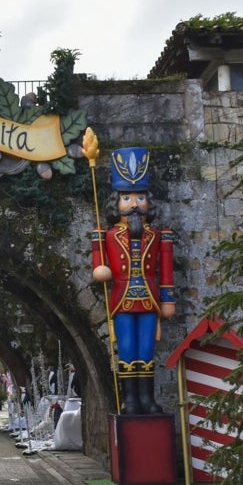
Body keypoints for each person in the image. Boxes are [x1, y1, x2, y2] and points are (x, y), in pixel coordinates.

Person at [90, 145, 176, 414]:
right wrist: (100, 270)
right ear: (116, 203)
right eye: (127, 198)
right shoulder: (107, 235)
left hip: (149, 298)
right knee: (127, 347)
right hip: (123, 298)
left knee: (146, 349)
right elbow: (98, 265)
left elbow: (166, 269)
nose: (135, 204)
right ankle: (130, 399)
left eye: (140, 197)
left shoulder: (158, 235)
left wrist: (167, 299)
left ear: (148, 201)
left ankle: (147, 399)